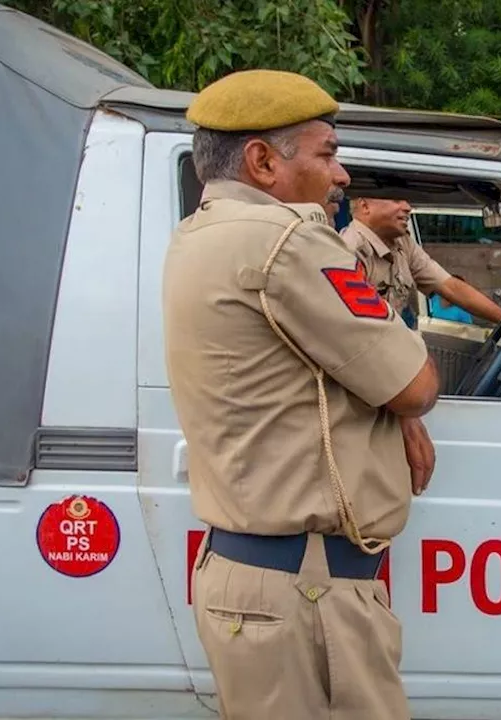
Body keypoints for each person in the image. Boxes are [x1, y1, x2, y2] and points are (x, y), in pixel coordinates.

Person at [162, 68, 441, 720]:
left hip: (260, 579)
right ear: (262, 160)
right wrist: (399, 407)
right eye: (328, 153)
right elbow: (417, 384)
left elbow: (308, 376)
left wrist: (391, 408)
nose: (342, 175)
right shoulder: (287, 239)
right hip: (305, 592)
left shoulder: (199, 233)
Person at [341, 196, 501, 325]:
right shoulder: (350, 250)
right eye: (396, 200)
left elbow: (451, 288)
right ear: (365, 206)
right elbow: (358, 331)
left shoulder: (402, 243)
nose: (407, 207)